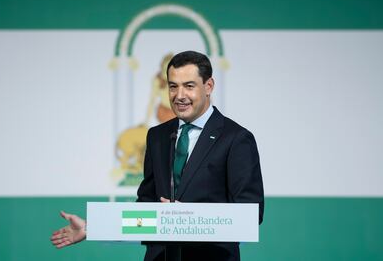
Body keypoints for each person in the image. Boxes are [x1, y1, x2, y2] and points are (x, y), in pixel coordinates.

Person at [51, 51, 264, 261]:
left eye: (189, 86)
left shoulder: (236, 138)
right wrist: (92, 227)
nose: (179, 95)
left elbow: (251, 215)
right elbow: (146, 205)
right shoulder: (158, 136)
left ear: (208, 86)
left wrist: (190, 219)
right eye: (173, 86)